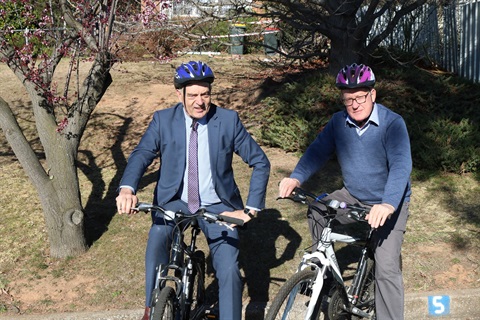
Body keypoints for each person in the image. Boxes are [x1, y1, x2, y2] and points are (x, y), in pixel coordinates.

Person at [116, 61, 270, 320]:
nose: (200, 101)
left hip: (218, 204)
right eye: (193, 95)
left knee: (229, 270)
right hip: (174, 200)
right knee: (157, 239)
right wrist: (127, 188)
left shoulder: (228, 121)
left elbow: (260, 162)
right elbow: (142, 153)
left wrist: (250, 209)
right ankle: (149, 308)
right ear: (180, 94)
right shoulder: (163, 120)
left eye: (205, 94)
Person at [278, 63, 412, 320]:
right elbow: (317, 151)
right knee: (317, 208)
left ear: (373, 95)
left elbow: (400, 166)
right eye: (348, 99)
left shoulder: (393, 124)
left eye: (360, 97)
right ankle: (323, 281)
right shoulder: (338, 123)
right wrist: (296, 178)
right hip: (353, 196)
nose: (355, 104)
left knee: (386, 269)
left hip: (388, 202)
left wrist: (388, 204)